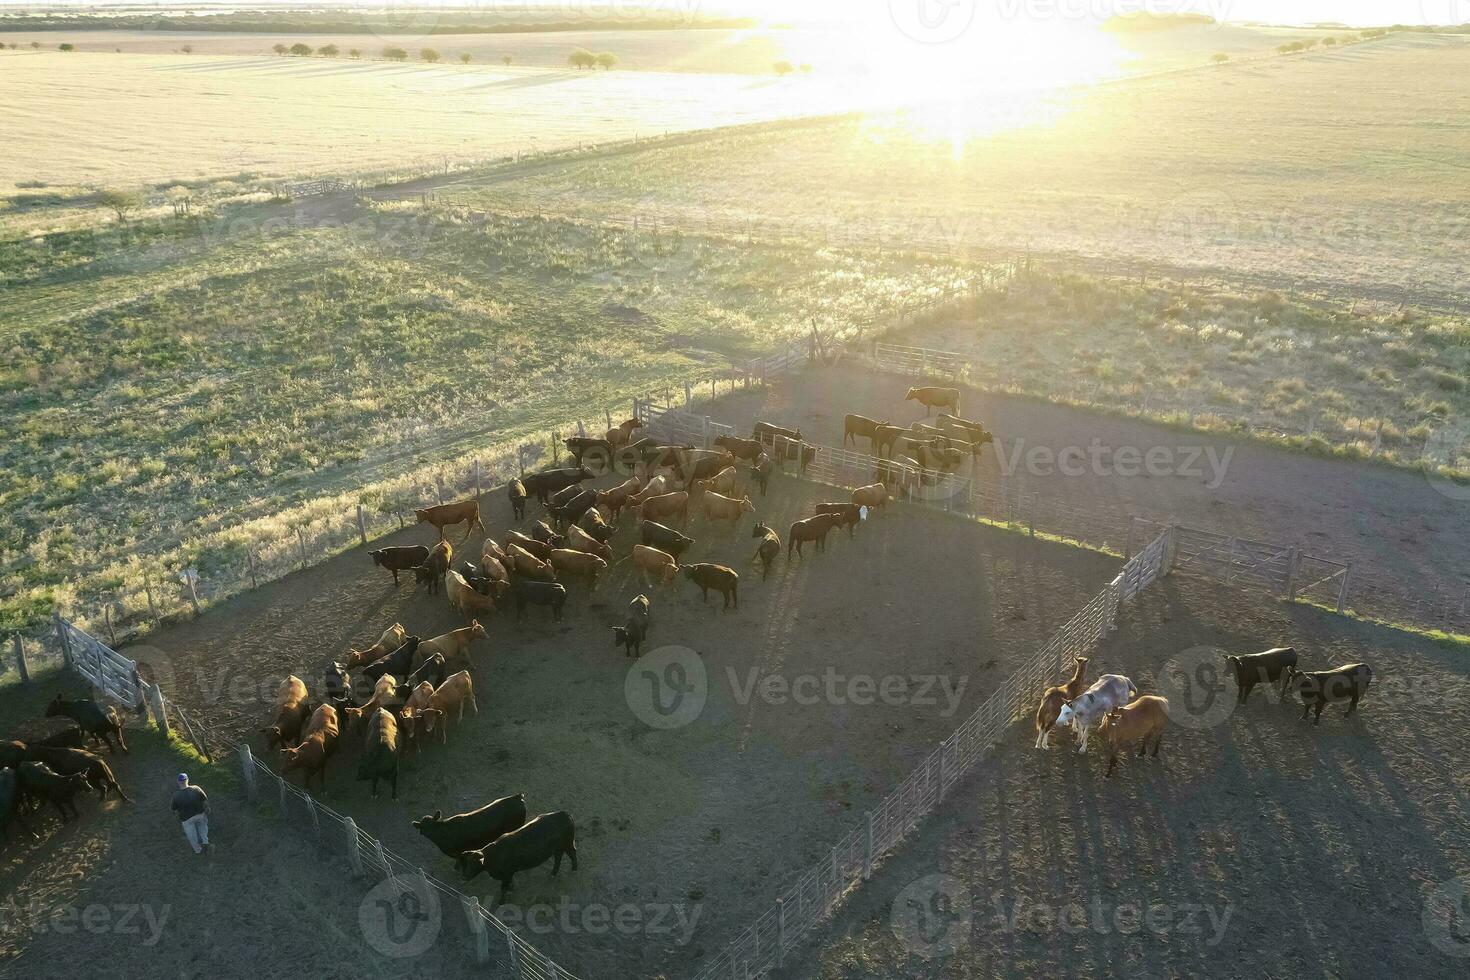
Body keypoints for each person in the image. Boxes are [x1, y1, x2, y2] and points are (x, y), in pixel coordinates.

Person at [171, 773, 210, 855]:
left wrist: (178, 819)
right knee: (203, 828)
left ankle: (198, 850)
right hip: (200, 815)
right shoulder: (196, 788)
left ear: (178, 782)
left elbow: (174, 810)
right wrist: (207, 809)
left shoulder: (176, 795)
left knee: (192, 836)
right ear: (187, 780)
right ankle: (205, 842)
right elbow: (205, 800)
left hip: (187, 819)